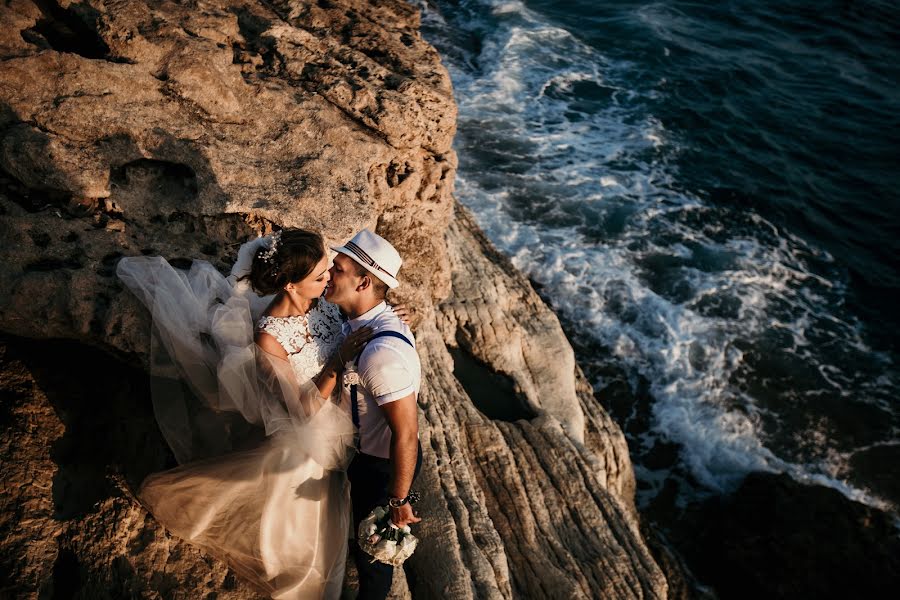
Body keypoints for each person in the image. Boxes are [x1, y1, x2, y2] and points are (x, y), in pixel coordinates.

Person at [116, 229, 376, 599]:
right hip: (309, 429)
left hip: (347, 416)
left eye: (329, 269)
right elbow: (301, 412)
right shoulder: (269, 336)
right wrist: (335, 363)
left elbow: (360, 316)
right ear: (289, 285)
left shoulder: (325, 302)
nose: (330, 278)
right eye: (321, 276)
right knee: (301, 477)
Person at [324, 229, 423, 600]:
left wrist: (397, 500)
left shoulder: (379, 352)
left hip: (383, 466)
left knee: (374, 560)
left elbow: (407, 435)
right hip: (365, 457)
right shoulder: (363, 323)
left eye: (338, 269)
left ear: (364, 281)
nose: (328, 273)